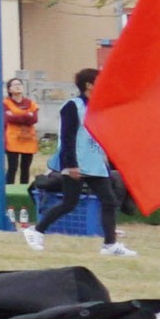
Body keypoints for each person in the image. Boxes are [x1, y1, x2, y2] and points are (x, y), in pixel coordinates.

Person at [62, 64, 136, 257]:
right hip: (78, 163)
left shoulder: (98, 106)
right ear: (88, 85)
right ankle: (36, 230)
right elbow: (67, 137)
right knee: (69, 203)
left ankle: (110, 244)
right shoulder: (73, 106)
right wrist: (71, 164)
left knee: (109, 201)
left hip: (95, 163)